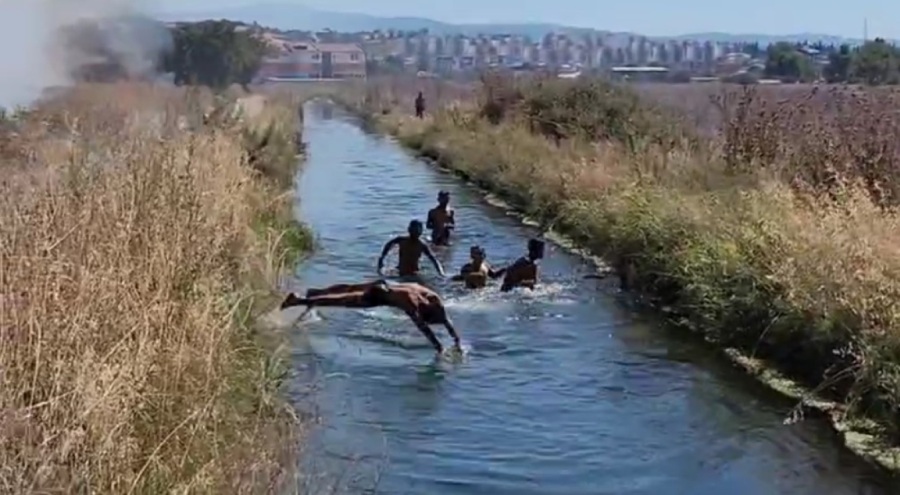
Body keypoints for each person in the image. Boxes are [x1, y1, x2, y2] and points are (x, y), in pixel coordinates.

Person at [280, 280, 462, 353]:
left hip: (387, 284)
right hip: (381, 294)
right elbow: (422, 326)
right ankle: (300, 299)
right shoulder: (412, 303)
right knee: (345, 300)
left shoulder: (433, 299)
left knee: (349, 289)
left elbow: (446, 323)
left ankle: (314, 295)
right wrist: (438, 347)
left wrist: (457, 342)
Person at [377, 219, 446, 279]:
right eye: (414, 230)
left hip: (414, 273)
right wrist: (382, 258)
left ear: (421, 232)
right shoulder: (401, 240)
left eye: (418, 231)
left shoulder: (421, 244)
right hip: (400, 271)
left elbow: (433, 259)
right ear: (409, 230)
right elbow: (388, 245)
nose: (416, 233)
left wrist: (441, 273)